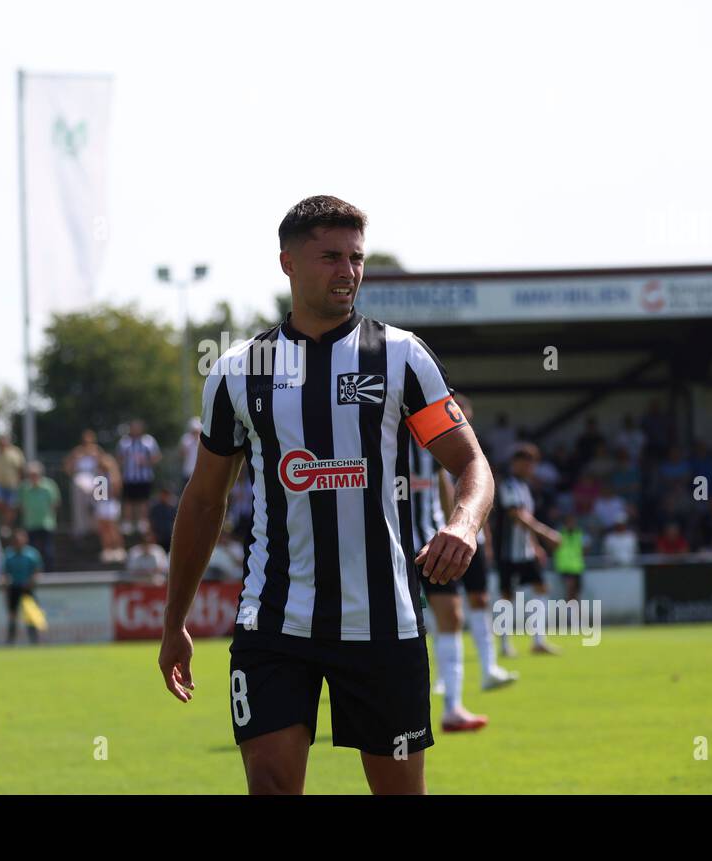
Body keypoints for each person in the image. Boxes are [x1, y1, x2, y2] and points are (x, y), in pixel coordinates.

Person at [158, 195, 494, 795]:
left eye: (356, 258)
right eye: (331, 257)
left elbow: (470, 462)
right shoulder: (239, 370)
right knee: (271, 786)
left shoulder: (402, 356)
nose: (348, 272)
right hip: (274, 622)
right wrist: (174, 619)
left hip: (384, 621)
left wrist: (465, 523)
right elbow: (204, 501)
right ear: (287, 262)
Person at [411, 429, 500, 734]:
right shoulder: (372, 431)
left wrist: (457, 528)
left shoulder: (429, 442)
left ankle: (453, 708)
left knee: (451, 615)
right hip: (387, 544)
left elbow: (444, 486)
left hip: (429, 539)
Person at [494, 442, 563, 657]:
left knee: (541, 587)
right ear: (516, 463)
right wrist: (545, 534)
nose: (530, 468)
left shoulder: (524, 487)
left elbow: (526, 519)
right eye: (527, 463)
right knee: (507, 596)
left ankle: (538, 641)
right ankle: (505, 645)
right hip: (508, 551)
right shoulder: (508, 485)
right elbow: (518, 516)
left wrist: (535, 546)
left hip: (525, 551)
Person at [116, 420, 161, 537]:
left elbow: (157, 457)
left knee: (144, 500)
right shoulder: (124, 442)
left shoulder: (149, 441)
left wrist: (145, 461)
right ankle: (128, 523)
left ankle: (143, 522)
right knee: (128, 500)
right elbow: (119, 458)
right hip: (129, 476)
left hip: (144, 476)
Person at [2, 528, 43, 644]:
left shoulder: (31, 554)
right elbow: (5, 573)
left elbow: (36, 571)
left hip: (27, 588)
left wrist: (30, 582)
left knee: (30, 615)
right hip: (14, 588)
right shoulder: (9, 555)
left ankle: (34, 640)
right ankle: (11, 640)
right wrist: (5, 588)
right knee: (12, 616)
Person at [18, 462, 61, 569]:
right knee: (32, 551)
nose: (33, 477)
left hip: (46, 523)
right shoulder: (24, 487)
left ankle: (49, 571)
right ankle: (34, 571)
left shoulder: (49, 485)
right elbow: (21, 504)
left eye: (35, 474)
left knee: (48, 550)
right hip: (31, 523)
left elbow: (55, 503)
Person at [553, 513, 587, 602]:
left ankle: (575, 613)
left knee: (576, 592)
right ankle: (569, 613)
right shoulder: (558, 534)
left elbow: (585, 548)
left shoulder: (579, 533)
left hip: (577, 567)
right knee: (570, 589)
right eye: (569, 522)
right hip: (565, 567)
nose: (571, 524)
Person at [148, 484, 179, 555]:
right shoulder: (155, 508)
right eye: (164, 493)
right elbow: (151, 521)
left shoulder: (174, 508)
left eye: (167, 494)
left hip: (171, 538)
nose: (165, 496)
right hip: (158, 538)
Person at [179, 417, 202, 491]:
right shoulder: (186, 439)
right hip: (187, 471)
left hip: (199, 472)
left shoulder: (202, 440)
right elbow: (182, 453)